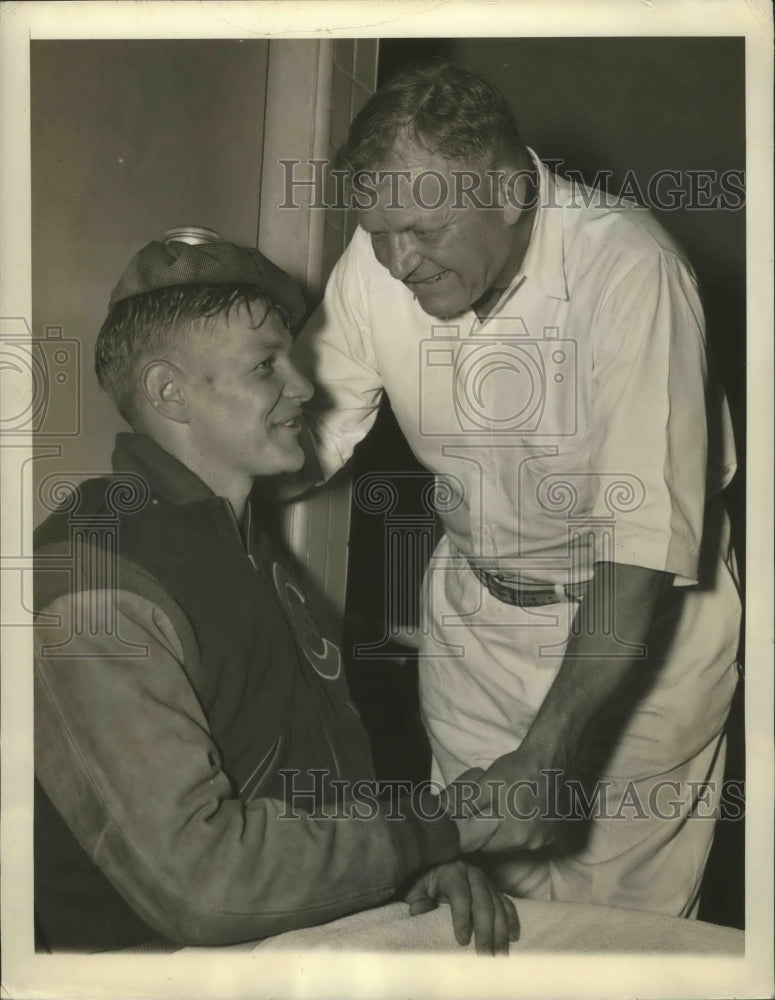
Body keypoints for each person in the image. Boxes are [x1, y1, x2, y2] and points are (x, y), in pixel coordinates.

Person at [290, 62, 742, 916]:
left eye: (421, 231)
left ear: (506, 189)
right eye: (377, 232)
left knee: (615, 941)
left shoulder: (629, 271)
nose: (395, 260)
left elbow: (637, 550)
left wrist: (546, 755)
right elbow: (306, 433)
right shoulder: (381, 254)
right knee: (471, 915)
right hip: (475, 631)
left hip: (635, 639)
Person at [32, 230, 519, 954]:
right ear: (169, 393)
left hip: (293, 940)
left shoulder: (238, 545)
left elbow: (307, 787)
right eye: (266, 365)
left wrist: (414, 868)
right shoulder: (98, 576)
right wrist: (443, 826)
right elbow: (205, 886)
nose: (303, 386)